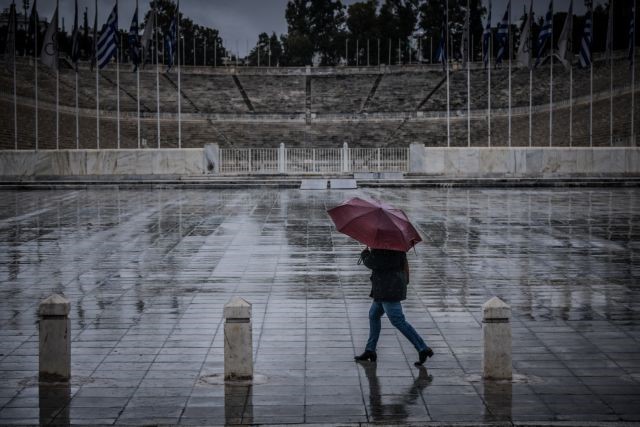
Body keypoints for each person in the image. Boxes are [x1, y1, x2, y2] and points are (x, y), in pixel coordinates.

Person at [355, 248, 433, 366]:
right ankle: (370, 350)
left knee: (398, 321)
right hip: (386, 287)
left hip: (388, 289)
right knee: (374, 315)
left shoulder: (384, 247)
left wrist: (365, 254)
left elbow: (373, 263)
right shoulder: (395, 245)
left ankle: (423, 348)